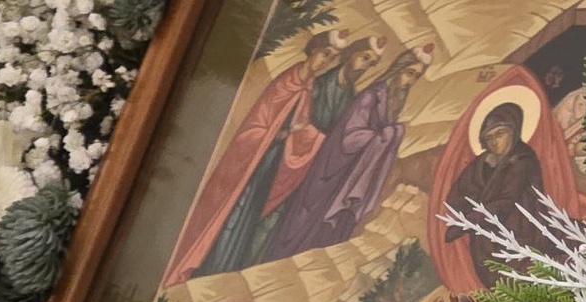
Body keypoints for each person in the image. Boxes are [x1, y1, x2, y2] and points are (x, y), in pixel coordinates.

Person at [162, 29, 348, 286]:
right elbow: (257, 128)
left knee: (246, 218)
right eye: (326, 54)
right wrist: (287, 133)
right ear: (314, 49)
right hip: (250, 165)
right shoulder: (288, 82)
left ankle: (220, 273)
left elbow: (296, 128)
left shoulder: (307, 88)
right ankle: (206, 269)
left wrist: (308, 138)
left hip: (268, 165)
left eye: (333, 58)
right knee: (233, 214)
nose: (327, 62)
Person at [260, 43, 433, 262]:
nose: (411, 80)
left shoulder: (392, 101)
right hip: (332, 174)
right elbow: (350, 138)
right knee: (307, 226)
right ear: (399, 69)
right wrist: (387, 135)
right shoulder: (371, 97)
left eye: (416, 76)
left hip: (349, 176)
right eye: (409, 73)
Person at [252, 36, 387, 262]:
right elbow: (292, 123)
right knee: (266, 215)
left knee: (282, 223)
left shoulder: (352, 100)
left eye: (371, 63)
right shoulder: (318, 85)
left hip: (314, 172)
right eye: (364, 58)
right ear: (350, 53)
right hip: (287, 162)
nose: (365, 66)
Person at [443, 102, 546, 288]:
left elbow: (506, 200)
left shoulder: (523, 160)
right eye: (489, 138)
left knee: (522, 284)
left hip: (520, 233)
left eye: (500, 134)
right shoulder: (482, 162)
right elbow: (456, 197)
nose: (494, 142)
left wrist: (466, 222)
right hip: (485, 239)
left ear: (513, 132)